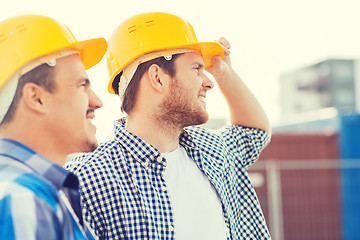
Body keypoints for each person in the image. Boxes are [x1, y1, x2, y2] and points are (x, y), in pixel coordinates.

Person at [65, 12, 272, 240]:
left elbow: (254, 132)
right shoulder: (88, 180)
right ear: (158, 78)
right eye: (196, 69)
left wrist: (225, 72)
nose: (209, 82)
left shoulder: (210, 148)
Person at [0, 14, 107, 239]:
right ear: (37, 98)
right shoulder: (24, 199)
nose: (97, 101)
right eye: (81, 85)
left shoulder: (38, 192)